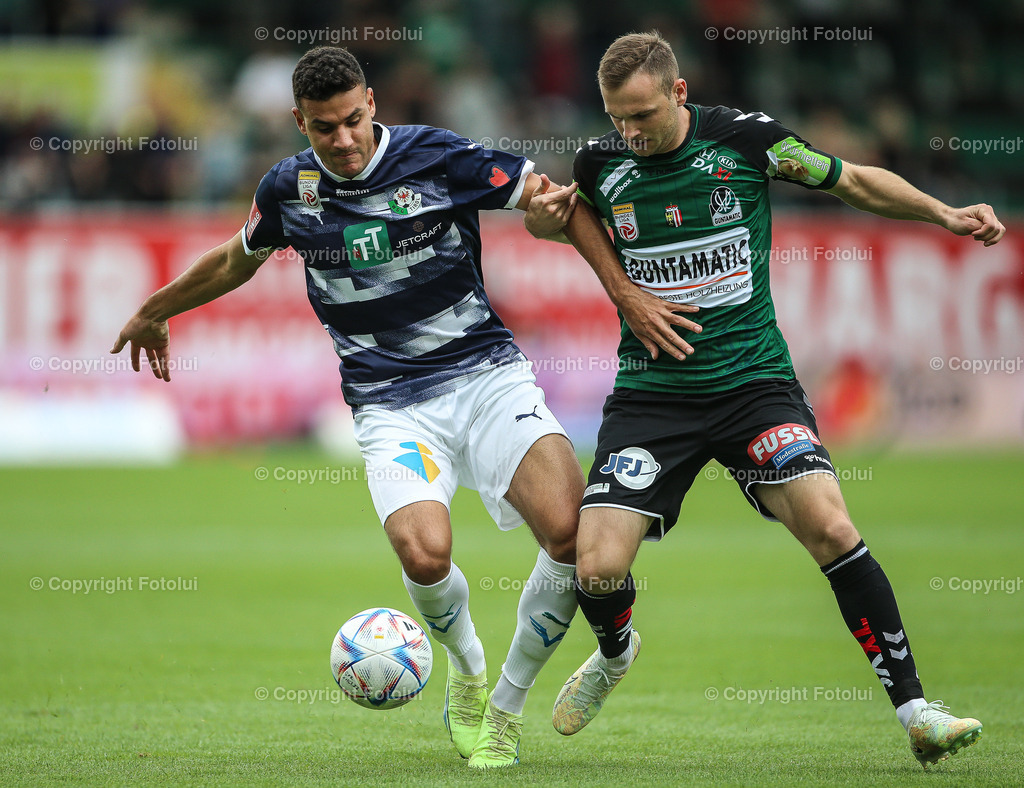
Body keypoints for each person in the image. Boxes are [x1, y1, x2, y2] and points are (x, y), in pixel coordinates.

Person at [524, 31, 1003, 769]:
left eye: (643, 115)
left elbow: (852, 182)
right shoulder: (601, 162)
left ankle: (918, 712)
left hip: (754, 388)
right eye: (617, 117)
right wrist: (578, 251)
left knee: (831, 526)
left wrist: (944, 214)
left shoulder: (747, 143)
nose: (631, 133)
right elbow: (555, 218)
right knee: (596, 567)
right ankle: (616, 654)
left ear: (679, 93)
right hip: (654, 396)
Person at [110, 45, 585, 770]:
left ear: (372, 105)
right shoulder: (288, 189)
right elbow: (237, 258)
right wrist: (155, 309)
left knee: (571, 535)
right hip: (389, 402)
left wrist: (562, 225)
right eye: (324, 127)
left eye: (354, 120)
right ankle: (467, 668)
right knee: (423, 553)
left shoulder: (438, 157)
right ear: (299, 122)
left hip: (488, 379)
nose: (343, 140)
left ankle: (506, 708)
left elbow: (545, 198)